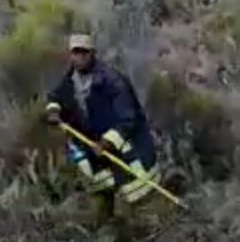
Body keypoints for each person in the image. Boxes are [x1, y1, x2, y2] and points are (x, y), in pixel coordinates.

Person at [45, 34, 159, 225]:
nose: (79, 57)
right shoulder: (68, 81)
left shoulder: (112, 81)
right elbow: (54, 97)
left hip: (126, 154)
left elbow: (128, 119)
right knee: (102, 198)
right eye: (75, 52)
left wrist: (106, 142)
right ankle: (107, 225)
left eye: (84, 52)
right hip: (95, 156)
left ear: (92, 54)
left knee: (137, 201)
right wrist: (54, 111)